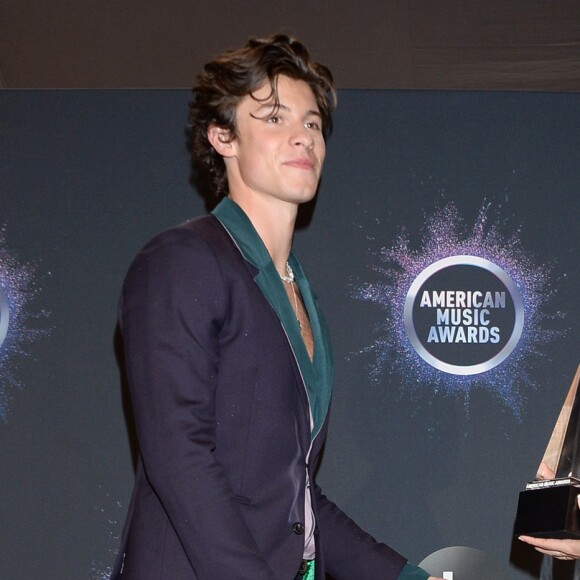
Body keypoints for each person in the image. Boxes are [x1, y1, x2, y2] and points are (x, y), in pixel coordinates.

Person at [110, 33, 443, 580]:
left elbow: (294, 499)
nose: (302, 137)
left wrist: (406, 577)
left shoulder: (299, 296)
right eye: (273, 118)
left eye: (312, 124)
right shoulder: (183, 259)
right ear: (223, 137)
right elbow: (180, 460)